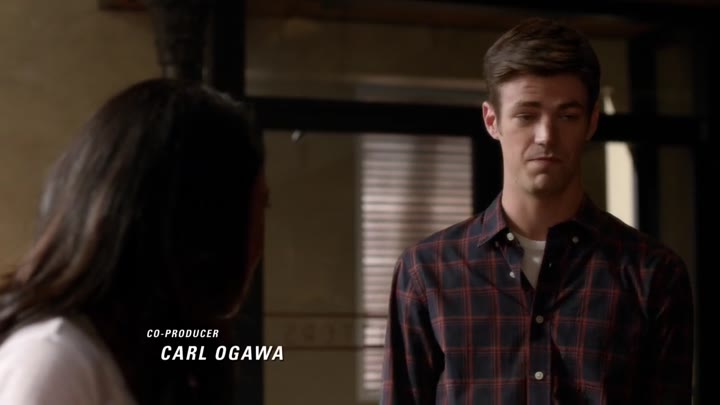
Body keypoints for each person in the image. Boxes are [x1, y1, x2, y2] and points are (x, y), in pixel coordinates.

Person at [381, 17, 694, 404]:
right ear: (492, 121)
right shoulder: (427, 271)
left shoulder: (652, 273)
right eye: (527, 116)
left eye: (567, 116)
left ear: (591, 122)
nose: (546, 136)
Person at [0, 78, 268, 404]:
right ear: (200, 220)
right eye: (257, 210)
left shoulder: (158, 356)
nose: (259, 245)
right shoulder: (57, 361)